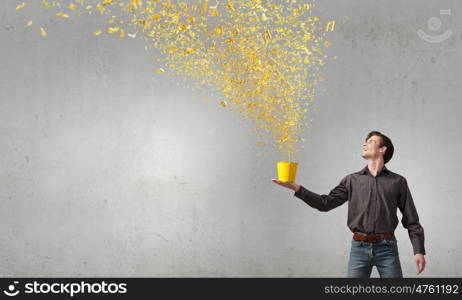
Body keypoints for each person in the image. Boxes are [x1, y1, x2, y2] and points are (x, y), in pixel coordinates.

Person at [272, 131, 426, 278]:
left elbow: (411, 218)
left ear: (382, 149)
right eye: (365, 142)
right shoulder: (351, 180)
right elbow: (324, 204)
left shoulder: (398, 182)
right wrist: (296, 187)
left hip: (388, 248)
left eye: (371, 141)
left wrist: (418, 251)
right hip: (359, 248)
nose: (364, 144)